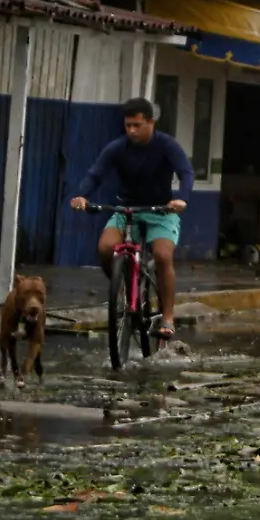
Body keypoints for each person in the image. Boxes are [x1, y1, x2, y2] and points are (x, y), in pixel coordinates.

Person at [70, 98, 194, 339]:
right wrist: (82, 196)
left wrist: (182, 199)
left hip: (161, 211)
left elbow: (186, 172)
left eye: (137, 125)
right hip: (127, 209)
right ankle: (123, 288)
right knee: (106, 248)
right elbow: (96, 174)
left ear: (151, 123)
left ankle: (167, 317)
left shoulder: (167, 145)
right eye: (128, 125)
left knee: (162, 255)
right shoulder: (118, 147)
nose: (131, 131)